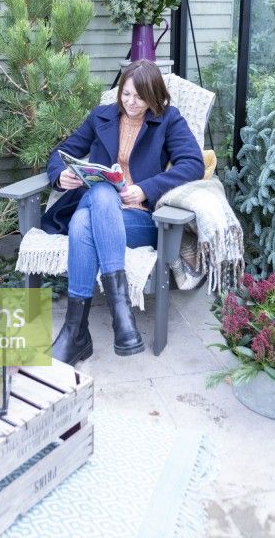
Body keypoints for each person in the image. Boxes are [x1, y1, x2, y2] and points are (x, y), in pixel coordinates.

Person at [42, 60, 205, 365]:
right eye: (126, 94)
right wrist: (60, 176)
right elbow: (59, 153)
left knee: (82, 221)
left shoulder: (168, 120)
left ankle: (75, 333)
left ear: (154, 96)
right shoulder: (100, 116)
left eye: (140, 97)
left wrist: (145, 189)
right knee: (101, 193)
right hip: (100, 207)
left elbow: (192, 164)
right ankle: (120, 316)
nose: (131, 102)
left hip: (139, 218)